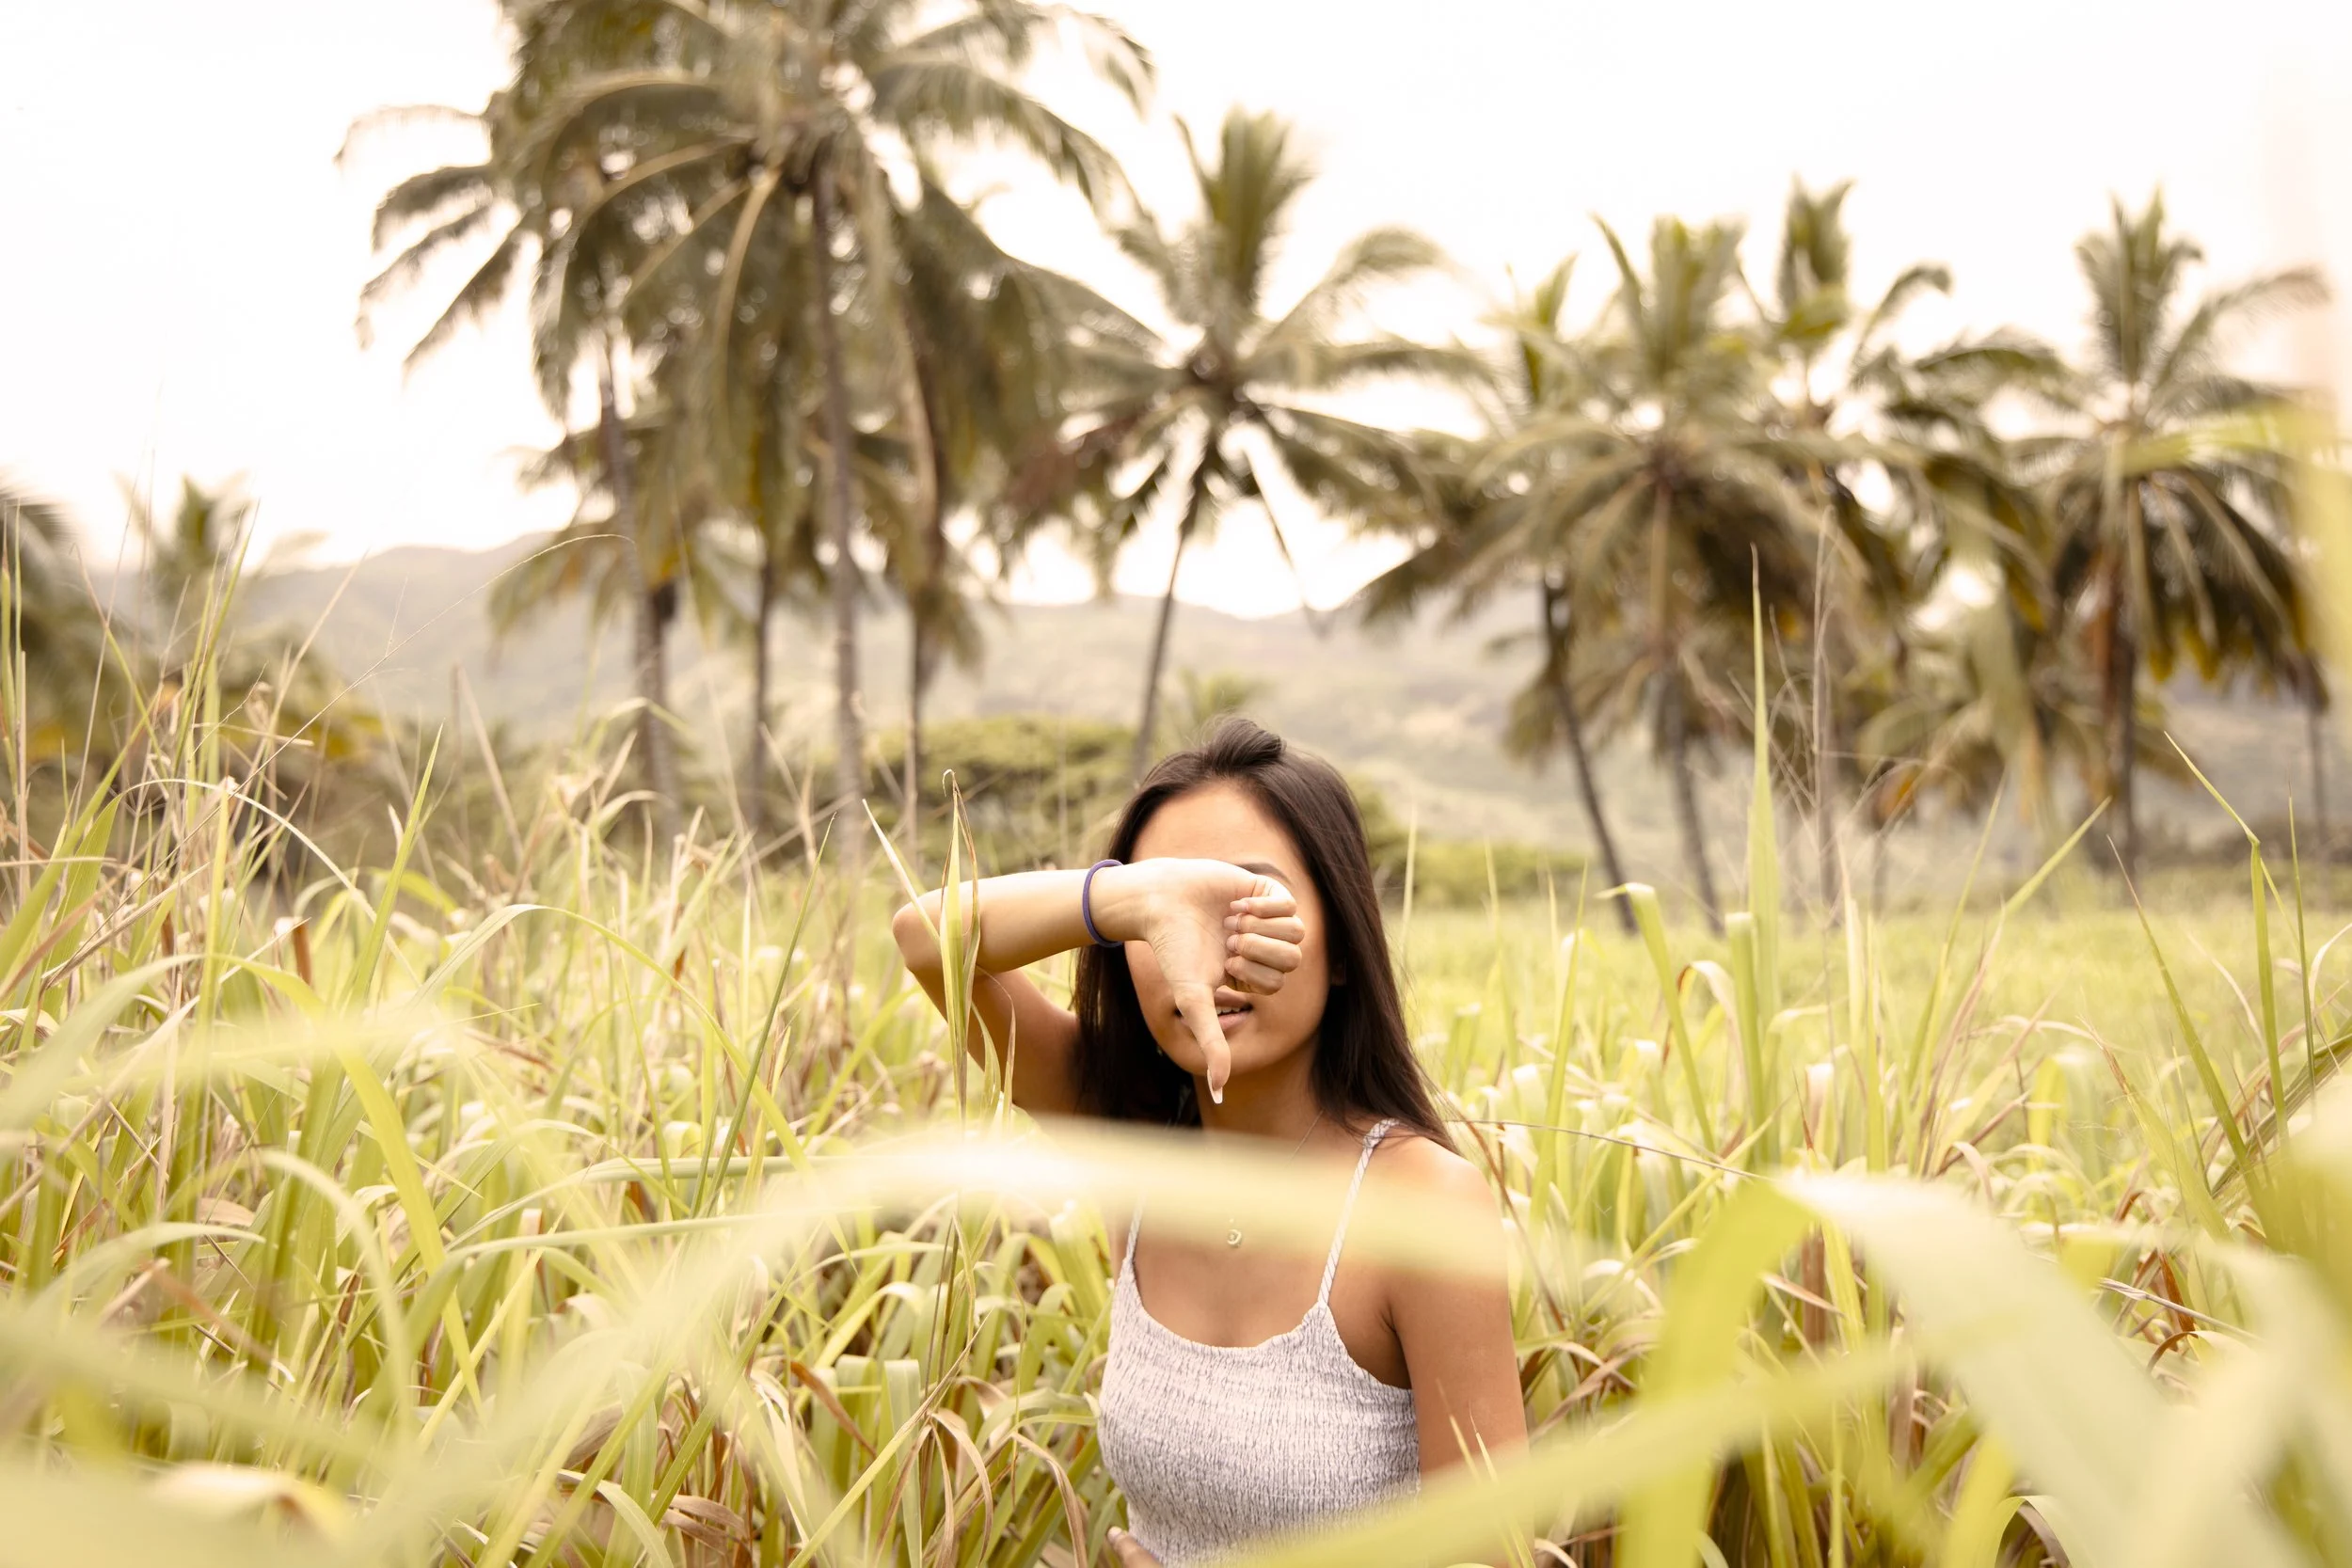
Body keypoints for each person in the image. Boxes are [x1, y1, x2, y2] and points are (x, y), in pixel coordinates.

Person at [892, 719, 1525, 1565]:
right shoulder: (1140, 1148)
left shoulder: (1421, 1205)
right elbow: (926, 936)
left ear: (1339, 948)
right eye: (1167, 919)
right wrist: (1126, 897)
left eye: (1247, 903)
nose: (1200, 950)